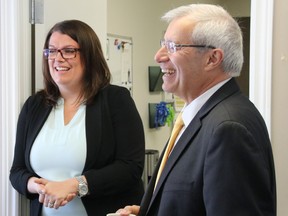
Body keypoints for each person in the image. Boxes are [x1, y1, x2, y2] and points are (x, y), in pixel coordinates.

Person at [116, 4, 276, 216]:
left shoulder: (228, 128)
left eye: (172, 46)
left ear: (212, 59)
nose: (158, 56)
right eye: (163, 44)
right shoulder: (202, 116)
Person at [9, 20, 145, 216]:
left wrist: (76, 185)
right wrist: (36, 186)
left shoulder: (115, 99)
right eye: (52, 51)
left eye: (69, 50)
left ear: (89, 55)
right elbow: (17, 171)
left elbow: (130, 168)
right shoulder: (34, 106)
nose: (58, 58)